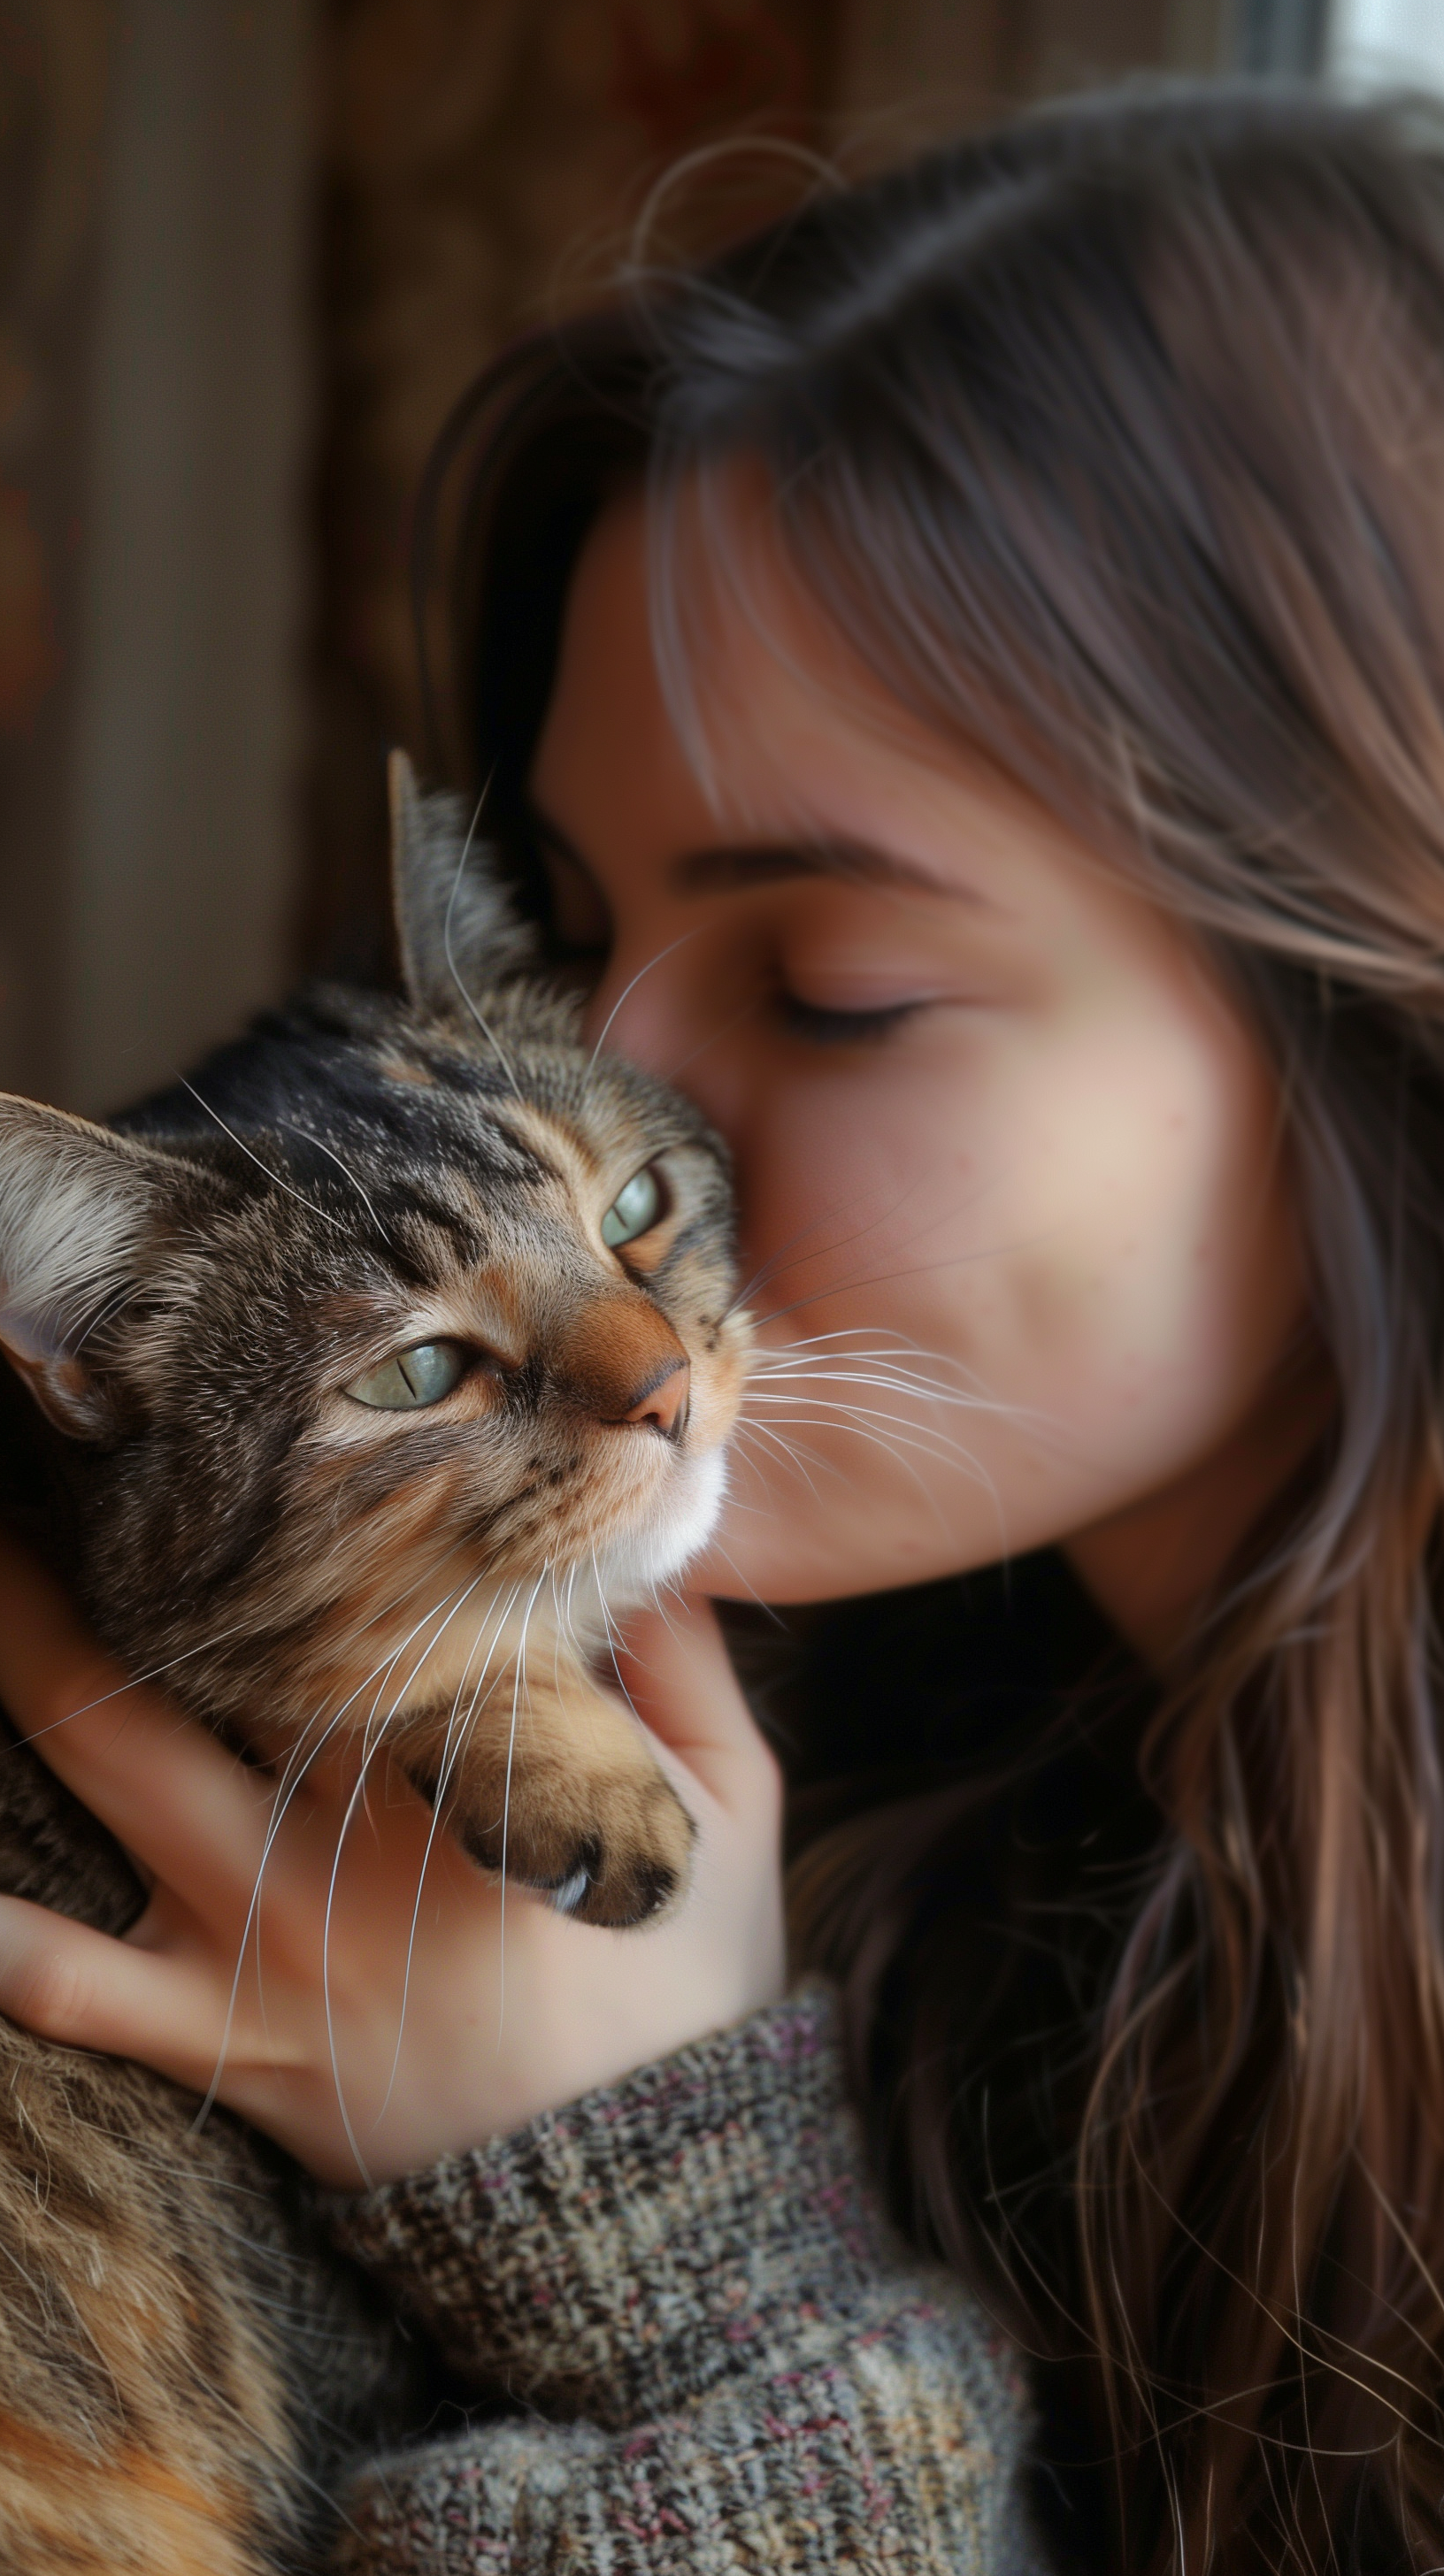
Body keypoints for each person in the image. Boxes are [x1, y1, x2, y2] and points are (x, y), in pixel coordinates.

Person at [2, 76, 1443, 2574]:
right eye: (566, 927)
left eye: (841, 980)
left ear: (1370, 1009)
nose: (624, 1102)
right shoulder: (801, 1745)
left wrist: (671, 2257)